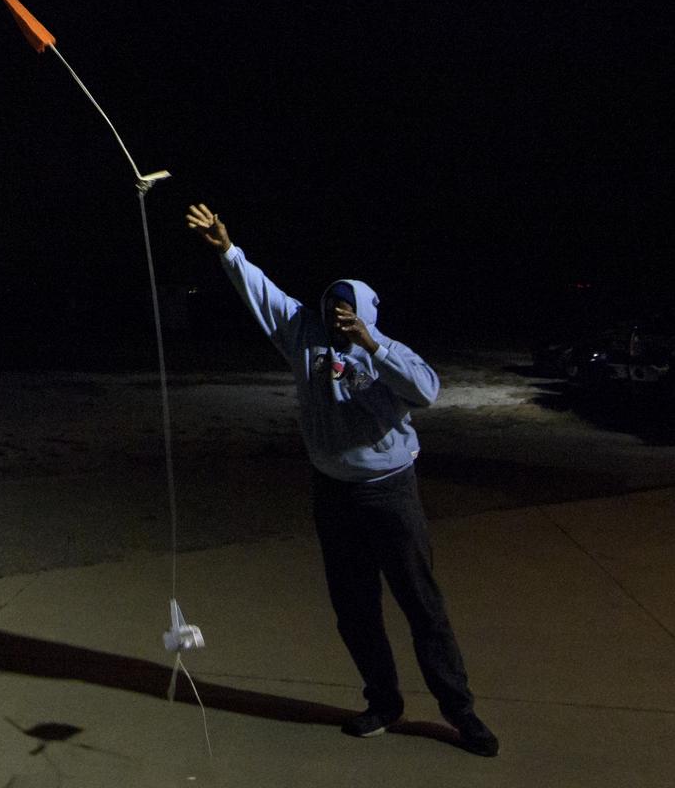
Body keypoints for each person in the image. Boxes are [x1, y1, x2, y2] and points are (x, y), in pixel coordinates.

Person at [185, 202, 499, 758]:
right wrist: (227, 250)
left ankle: (460, 711)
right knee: (354, 607)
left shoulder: (388, 353)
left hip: (391, 492)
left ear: (367, 313)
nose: (337, 314)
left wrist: (372, 345)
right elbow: (264, 294)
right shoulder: (304, 336)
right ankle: (383, 702)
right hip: (333, 492)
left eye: (348, 308)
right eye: (332, 305)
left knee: (421, 604)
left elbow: (427, 391)